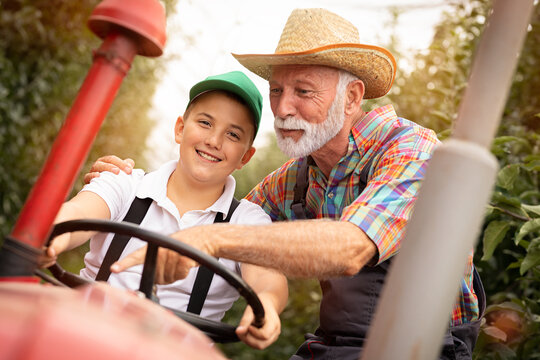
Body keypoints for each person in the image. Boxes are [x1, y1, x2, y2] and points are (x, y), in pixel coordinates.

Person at [88, 8, 484, 360]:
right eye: (277, 90)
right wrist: (130, 187)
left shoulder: (412, 151)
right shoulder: (293, 180)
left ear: (352, 97)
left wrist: (212, 241)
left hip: (424, 346)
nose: (282, 108)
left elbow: (350, 247)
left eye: (303, 91)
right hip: (337, 343)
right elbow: (222, 216)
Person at [40, 71, 288, 350]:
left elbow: (268, 277)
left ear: (245, 155)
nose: (214, 141)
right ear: (180, 129)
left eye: (232, 134)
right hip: (81, 339)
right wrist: (50, 238)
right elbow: (77, 213)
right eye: (205, 123)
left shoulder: (247, 221)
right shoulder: (125, 184)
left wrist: (267, 303)